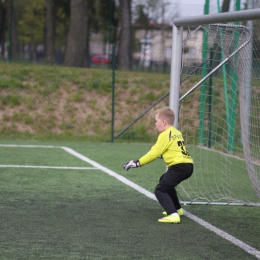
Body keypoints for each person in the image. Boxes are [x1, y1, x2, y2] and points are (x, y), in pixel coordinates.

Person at [123, 106, 193, 224]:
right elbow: (172, 149)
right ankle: (177, 209)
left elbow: (153, 153)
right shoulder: (176, 132)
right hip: (188, 165)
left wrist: (137, 163)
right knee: (164, 181)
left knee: (160, 190)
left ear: (164, 122)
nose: (155, 124)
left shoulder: (165, 134)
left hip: (179, 166)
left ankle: (174, 215)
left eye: (156, 121)